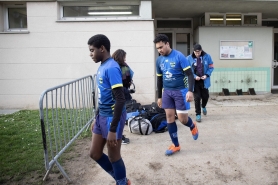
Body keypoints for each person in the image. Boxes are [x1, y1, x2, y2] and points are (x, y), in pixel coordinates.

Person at [88, 34, 131, 185]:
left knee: (114, 156)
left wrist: (112, 129)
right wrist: (96, 117)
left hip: (112, 118)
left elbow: (120, 99)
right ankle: (122, 180)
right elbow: (102, 96)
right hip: (102, 117)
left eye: (92, 50)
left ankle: (121, 182)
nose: (90, 54)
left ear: (102, 48)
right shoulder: (102, 66)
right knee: (95, 153)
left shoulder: (112, 67)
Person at [153, 34, 199, 156]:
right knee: (169, 117)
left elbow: (190, 75)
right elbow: (159, 79)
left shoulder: (179, 56)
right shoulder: (159, 60)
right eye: (157, 48)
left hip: (180, 91)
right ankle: (176, 145)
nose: (159, 50)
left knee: (183, 119)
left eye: (161, 47)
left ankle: (192, 125)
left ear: (167, 44)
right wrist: (159, 96)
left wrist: (190, 91)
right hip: (167, 92)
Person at [112, 49, 134, 145]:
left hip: (112, 93)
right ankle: (119, 137)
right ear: (122, 57)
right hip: (121, 93)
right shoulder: (124, 67)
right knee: (120, 116)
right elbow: (130, 77)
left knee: (115, 115)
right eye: (124, 56)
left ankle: (117, 135)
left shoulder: (111, 65)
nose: (125, 58)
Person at [187, 44, 214, 122]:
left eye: (198, 52)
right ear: (193, 51)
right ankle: (198, 114)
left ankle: (203, 106)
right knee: (197, 98)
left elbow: (211, 67)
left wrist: (206, 75)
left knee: (206, 96)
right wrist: (195, 76)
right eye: (195, 52)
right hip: (195, 81)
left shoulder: (207, 57)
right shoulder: (189, 58)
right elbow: (188, 70)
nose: (197, 54)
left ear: (201, 50)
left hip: (204, 80)